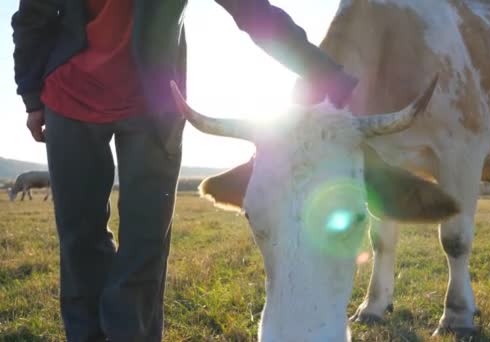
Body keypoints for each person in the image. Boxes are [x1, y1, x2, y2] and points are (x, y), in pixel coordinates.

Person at [11, 0, 357, 341]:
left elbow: (252, 11)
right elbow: (31, 16)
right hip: (68, 99)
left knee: (145, 240)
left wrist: (327, 74)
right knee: (79, 239)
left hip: (154, 106)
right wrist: (30, 95)